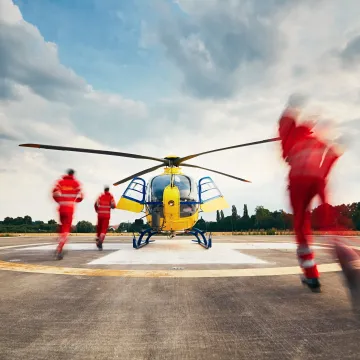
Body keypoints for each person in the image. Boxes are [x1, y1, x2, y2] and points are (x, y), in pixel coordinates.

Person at [278, 95, 344, 292]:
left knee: (301, 227)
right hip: (319, 179)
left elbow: (284, 126)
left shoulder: (292, 137)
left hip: (299, 180)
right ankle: (342, 248)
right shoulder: (316, 140)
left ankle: (312, 275)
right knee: (328, 222)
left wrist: (291, 109)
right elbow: (331, 155)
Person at [52, 169, 84, 260]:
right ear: (73, 174)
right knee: (66, 230)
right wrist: (74, 201)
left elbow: (54, 194)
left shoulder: (60, 182)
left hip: (61, 208)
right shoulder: (76, 183)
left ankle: (59, 236)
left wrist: (59, 202)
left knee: (62, 227)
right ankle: (60, 248)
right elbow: (81, 196)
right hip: (69, 209)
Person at [94, 186, 116, 250]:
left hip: (100, 215)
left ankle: (98, 239)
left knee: (99, 228)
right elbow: (113, 205)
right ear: (108, 190)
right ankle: (100, 240)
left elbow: (95, 204)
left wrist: (97, 210)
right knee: (104, 229)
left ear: (104, 190)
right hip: (106, 215)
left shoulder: (100, 196)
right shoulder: (110, 197)